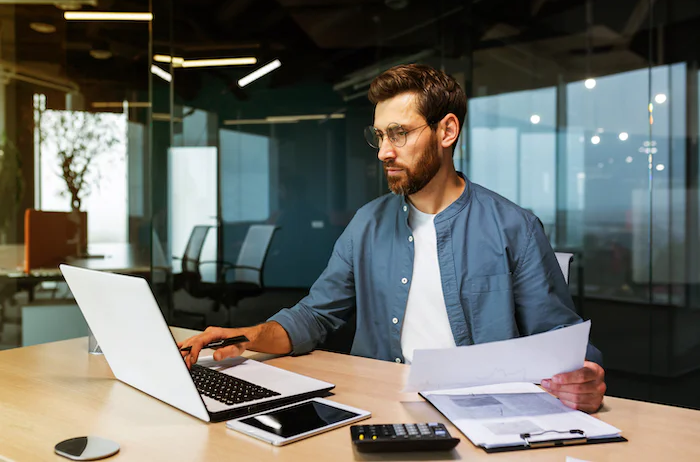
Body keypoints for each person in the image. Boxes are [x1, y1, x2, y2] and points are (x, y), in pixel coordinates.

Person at [178, 64, 606, 413]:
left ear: (447, 131)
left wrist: (584, 375)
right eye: (380, 135)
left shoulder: (515, 227)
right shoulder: (367, 223)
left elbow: (561, 341)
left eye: (399, 133)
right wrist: (242, 336)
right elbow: (315, 316)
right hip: (378, 403)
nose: (384, 151)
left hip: (483, 411)